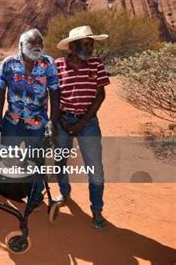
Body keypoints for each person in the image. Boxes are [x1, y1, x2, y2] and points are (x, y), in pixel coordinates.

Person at [0, 28, 60, 210]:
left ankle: (36, 195)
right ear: (21, 45)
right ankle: (9, 189)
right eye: (32, 43)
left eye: (40, 44)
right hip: (12, 121)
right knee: (9, 157)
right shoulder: (8, 63)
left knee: (36, 159)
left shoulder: (48, 63)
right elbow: (0, 90)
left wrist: (52, 122)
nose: (37, 47)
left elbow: (55, 92)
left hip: (37, 121)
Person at [54, 25, 110, 230]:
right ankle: (64, 191)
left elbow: (100, 95)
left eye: (91, 44)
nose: (90, 48)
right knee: (60, 160)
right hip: (63, 121)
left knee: (95, 169)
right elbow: (54, 96)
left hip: (88, 123)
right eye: (85, 44)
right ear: (73, 47)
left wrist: (82, 122)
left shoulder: (96, 64)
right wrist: (61, 121)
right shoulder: (58, 65)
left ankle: (96, 210)